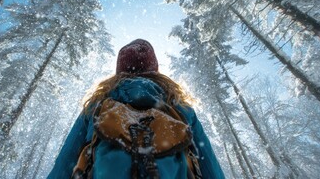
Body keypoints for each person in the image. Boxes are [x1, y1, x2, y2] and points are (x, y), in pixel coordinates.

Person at [47, 39, 224, 179]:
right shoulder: (178, 105)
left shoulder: (98, 104)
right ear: (154, 68)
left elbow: (66, 161)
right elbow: (207, 163)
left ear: (119, 69)